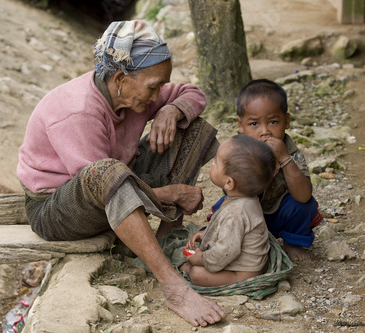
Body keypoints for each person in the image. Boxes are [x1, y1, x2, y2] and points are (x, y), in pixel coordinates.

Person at [17, 20, 225, 327]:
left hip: (114, 180)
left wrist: (172, 110)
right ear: (119, 78)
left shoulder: (135, 92)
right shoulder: (78, 111)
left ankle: (160, 243)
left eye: (159, 87)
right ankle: (173, 287)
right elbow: (104, 184)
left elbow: (191, 93)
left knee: (193, 127)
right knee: (107, 172)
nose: (156, 95)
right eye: (153, 86)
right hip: (57, 210)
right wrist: (173, 193)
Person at [212, 79, 323, 262]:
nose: (265, 132)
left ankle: (292, 242)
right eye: (254, 124)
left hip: (281, 215)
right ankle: (235, 242)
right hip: (248, 211)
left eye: (273, 122)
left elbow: (303, 195)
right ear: (241, 125)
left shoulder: (291, 152)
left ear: (286, 121)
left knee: (304, 206)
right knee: (223, 206)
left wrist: (284, 159)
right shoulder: (239, 150)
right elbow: (227, 187)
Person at [179, 135, 276, 287]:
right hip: (241, 262)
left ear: (229, 182)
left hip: (243, 273)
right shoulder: (243, 199)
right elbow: (231, 234)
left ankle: (185, 269)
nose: (212, 163)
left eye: (216, 162)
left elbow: (226, 251)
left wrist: (201, 258)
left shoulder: (236, 213)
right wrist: (205, 234)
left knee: (197, 273)